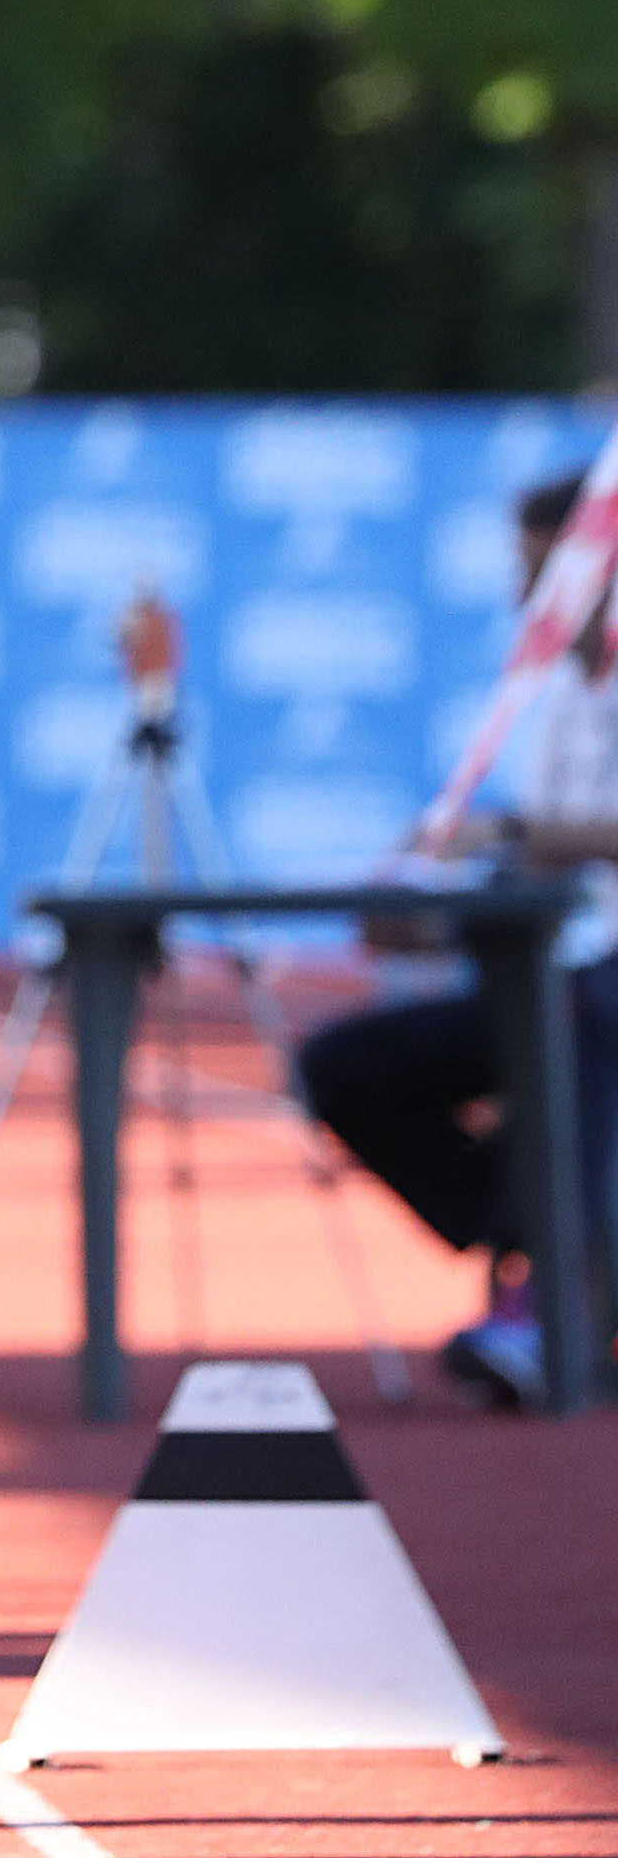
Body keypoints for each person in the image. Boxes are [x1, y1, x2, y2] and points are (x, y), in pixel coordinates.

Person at [298, 469, 618, 1404]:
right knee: (345, 1066)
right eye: (522, 571)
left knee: (574, 1019)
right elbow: (540, 870)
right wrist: (428, 909)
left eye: (541, 571)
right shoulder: (560, 695)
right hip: (562, 970)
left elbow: (549, 839)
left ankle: (546, 1291)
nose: (523, 595)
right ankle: (541, 1243)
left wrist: (507, 832)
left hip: (595, 989)